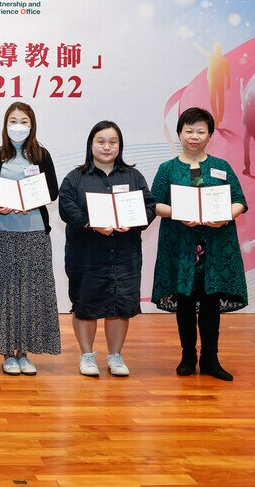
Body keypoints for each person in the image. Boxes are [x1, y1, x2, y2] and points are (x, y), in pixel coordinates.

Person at [151, 107, 248, 381]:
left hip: (215, 245)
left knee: (210, 303)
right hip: (181, 246)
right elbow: (155, 203)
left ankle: (210, 359)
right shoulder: (168, 168)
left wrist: (223, 217)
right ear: (180, 133)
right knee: (184, 302)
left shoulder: (221, 167)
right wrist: (179, 213)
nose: (194, 136)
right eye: (189, 131)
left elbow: (240, 200)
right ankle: (187, 356)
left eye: (200, 131)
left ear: (210, 135)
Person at [58, 121, 156, 377]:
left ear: (120, 146)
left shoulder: (133, 176)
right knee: (85, 304)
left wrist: (133, 223)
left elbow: (149, 206)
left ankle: (115, 355)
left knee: (119, 304)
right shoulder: (75, 177)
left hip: (124, 254)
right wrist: (91, 224)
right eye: (100, 141)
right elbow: (66, 207)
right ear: (90, 144)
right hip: (86, 254)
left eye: (113, 142)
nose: (106, 146)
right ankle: (87, 355)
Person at [0, 102, 60, 375]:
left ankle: (24, 352)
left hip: (34, 233)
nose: (18, 126)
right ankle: (6, 353)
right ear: (5, 124)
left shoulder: (41, 155)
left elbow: (52, 191)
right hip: (3, 232)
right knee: (4, 293)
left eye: (23, 121)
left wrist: (33, 200)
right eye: (13, 120)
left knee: (31, 293)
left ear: (32, 125)